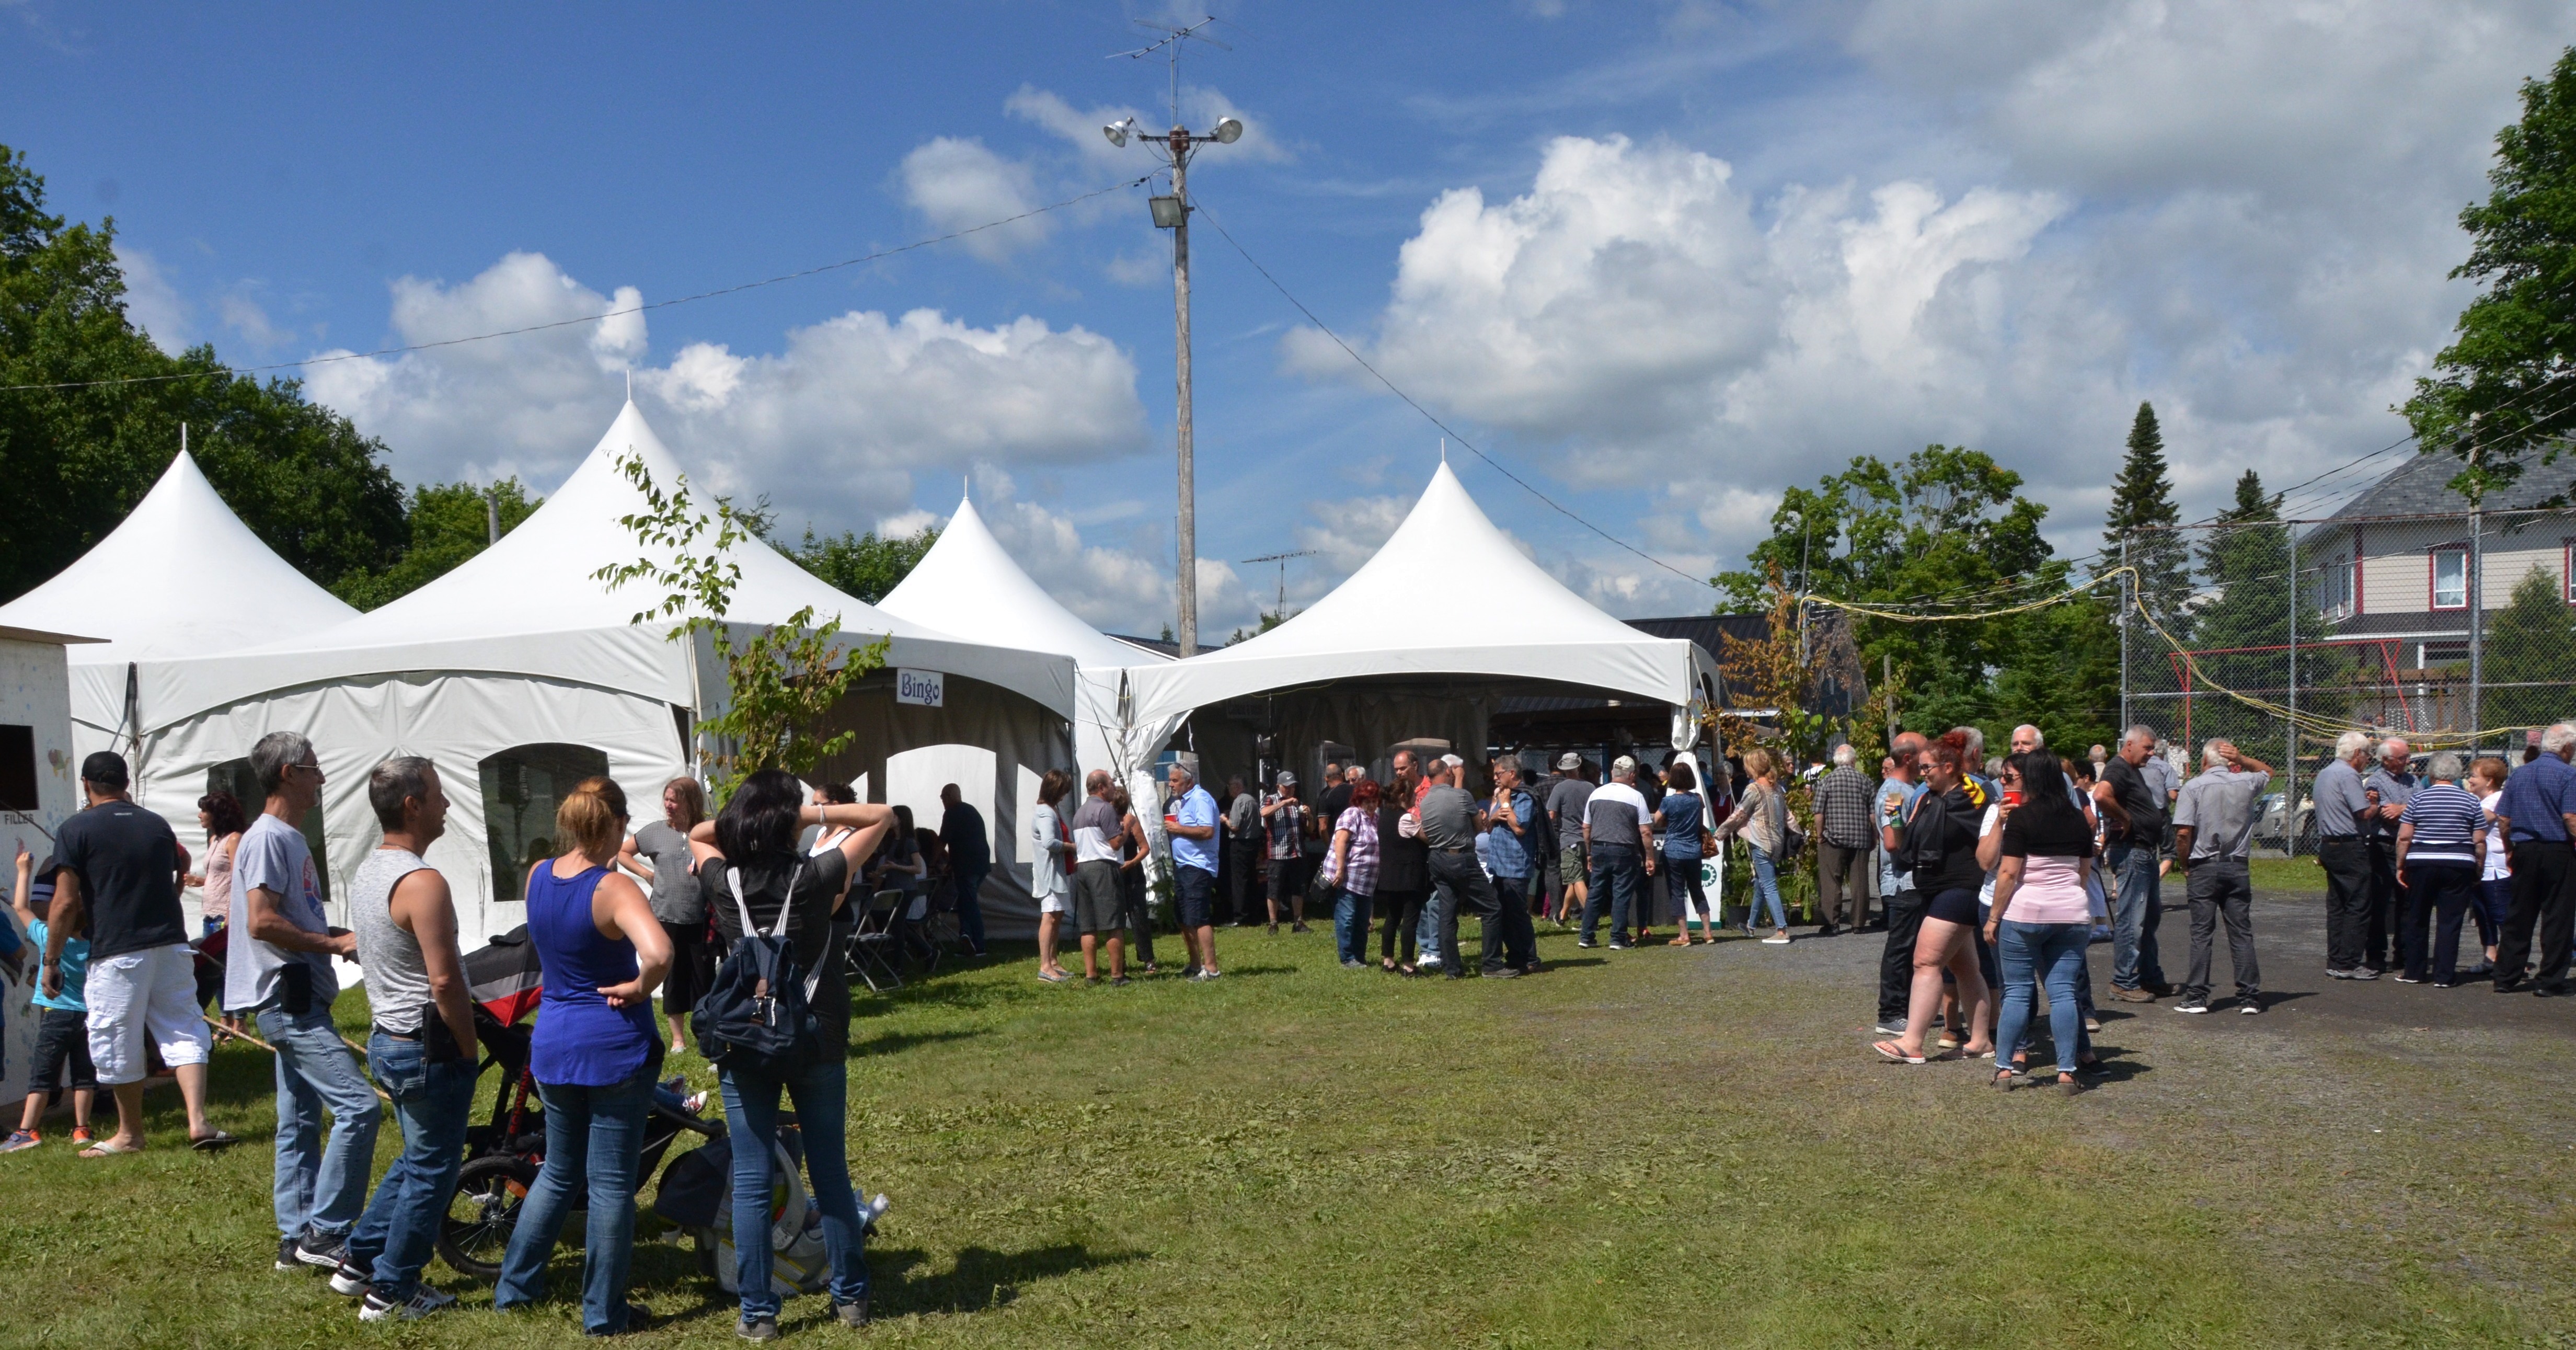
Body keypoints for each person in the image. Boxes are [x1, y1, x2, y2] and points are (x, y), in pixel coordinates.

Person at [681, 770, 890, 1336]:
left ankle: (758, 1313)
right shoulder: (820, 874)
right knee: (828, 1167)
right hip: (816, 1033)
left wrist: (752, 820)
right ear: (786, 822)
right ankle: (850, 1298)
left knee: (750, 1179)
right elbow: (881, 816)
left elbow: (698, 834)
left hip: (745, 1038)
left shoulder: (724, 882)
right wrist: (808, 816)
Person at [492, 777, 672, 1336]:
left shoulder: (538, 873)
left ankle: (514, 1287)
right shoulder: (614, 888)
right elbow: (660, 951)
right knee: (612, 1183)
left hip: (552, 1042)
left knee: (558, 1171)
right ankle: (604, 1313)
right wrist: (641, 987)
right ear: (617, 824)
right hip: (612, 1045)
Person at [224, 733, 379, 1272]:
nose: (322, 778)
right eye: (315, 769)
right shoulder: (269, 837)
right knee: (360, 1107)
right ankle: (329, 1231)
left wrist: (337, 934)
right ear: (289, 773)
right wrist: (334, 943)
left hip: (298, 995)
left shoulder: (285, 837)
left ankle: (295, 1239)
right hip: (286, 1001)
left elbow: (292, 918)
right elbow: (261, 921)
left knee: (298, 1118)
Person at [338, 756, 480, 1321]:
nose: (447, 805)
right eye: (440, 796)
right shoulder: (423, 881)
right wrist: (468, 1046)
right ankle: (392, 1290)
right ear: (412, 805)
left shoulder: (371, 869)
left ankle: (359, 1261)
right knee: (433, 1167)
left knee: (419, 1157)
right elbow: (444, 979)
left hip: (387, 1038)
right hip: (428, 1044)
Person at [43, 751, 227, 1163]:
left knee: (116, 1037)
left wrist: (52, 961)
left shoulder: (75, 828)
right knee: (183, 1028)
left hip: (117, 951)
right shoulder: (155, 823)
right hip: (171, 944)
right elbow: (177, 867)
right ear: (125, 782)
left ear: (87, 785)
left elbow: (64, 902)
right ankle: (198, 1121)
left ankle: (130, 1134)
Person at [1874, 733, 1995, 1063]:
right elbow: (1901, 845)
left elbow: (1989, 841)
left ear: (1949, 767)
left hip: (1962, 888)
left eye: (1928, 767)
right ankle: (1982, 1041)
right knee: (1966, 968)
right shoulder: (1926, 797)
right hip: (1933, 888)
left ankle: (1912, 1042)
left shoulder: (1972, 796)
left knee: (1925, 962)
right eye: (1922, 768)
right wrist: (1895, 816)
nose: (1922, 773)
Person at [1982, 751, 2096, 1094]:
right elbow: (2084, 872)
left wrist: (1993, 918)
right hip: (2072, 914)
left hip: (2026, 913)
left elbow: (2008, 872)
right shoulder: (2079, 821)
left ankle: (2004, 1069)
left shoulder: (2021, 818)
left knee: (2016, 992)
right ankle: (2066, 1070)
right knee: (2063, 992)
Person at [2169, 739, 2272, 1015]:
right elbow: (2268, 772)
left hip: (2204, 864)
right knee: (2241, 932)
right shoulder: (2246, 782)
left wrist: (2185, 863)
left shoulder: (2194, 787)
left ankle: (2196, 997)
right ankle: (2249, 997)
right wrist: (2243, 758)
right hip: (2237, 865)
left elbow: (2182, 833)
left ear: (2204, 762)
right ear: (2230, 762)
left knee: (2202, 933)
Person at [6, 846, 94, 1151]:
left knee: (42, 1075)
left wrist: (24, 871)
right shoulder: (97, 945)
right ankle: (82, 1130)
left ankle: (27, 1132)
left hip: (58, 1015)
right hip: (90, 1016)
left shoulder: (47, 936)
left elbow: (20, 907)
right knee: (84, 1075)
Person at [619, 775, 709, 1054]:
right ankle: (678, 1040)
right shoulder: (656, 832)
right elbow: (623, 852)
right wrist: (646, 873)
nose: (669, 805)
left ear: (691, 802)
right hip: (665, 915)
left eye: (675, 800)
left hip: (701, 917)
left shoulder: (706, 831)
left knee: (704, 979)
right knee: (672, 977)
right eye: (667, 799)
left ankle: (707, 1038)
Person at [2489, 723, 2576, 995]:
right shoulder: (2569, 775)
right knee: (2557, 917)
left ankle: (2505, 976)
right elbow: (2570, 817)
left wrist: (2509, 849)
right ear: (2567, 748)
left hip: (2525, 849)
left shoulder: (2520, 775)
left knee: (2519, 914)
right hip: (2558, 850)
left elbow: (2504, 820)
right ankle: (2549, 980)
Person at [2395, 751, 2488, 989]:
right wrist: (2478, 869)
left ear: (2432, 774)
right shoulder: (2471, 801)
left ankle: (2414, 972)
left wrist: (2401, 866)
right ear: (2457, 775)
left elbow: (2405, 837)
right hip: (2458, 864)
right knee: (2450, 921)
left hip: (2422, 863)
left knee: (2418, 917)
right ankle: (2445, 976)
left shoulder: (2418, 799)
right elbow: (2479, 841)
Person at [1419, 760, 1519, 980]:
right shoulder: (1462, 797)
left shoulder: (1425, 802)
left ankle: (1452, 969)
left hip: (1436, 858)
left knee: (1447, 914)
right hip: (1461, 857)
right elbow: (1478, 827)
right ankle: (1492, 964)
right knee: (1491, 908)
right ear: (1447, 772)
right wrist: (1483, 818)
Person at [2096, 725, 2170, 1002]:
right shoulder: (2118, 768)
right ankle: (2124, 981)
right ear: (2129, 745)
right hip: (2132, 852)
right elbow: (2101, 795)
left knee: (2149, 919)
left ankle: (2149, 977)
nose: (2152, 753)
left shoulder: (2131, 770)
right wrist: (2126, 819)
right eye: (2148, 748)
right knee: (2132, 921)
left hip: (2144, 853)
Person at [1873, 732, 1929, 1037]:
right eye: (1924, 753)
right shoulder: (1895, 792)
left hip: (1911, 882)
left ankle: (1908, 1008)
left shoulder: (1909, 789)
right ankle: (1891, 1013)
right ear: (1909, 758)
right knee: (1900, 948)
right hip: (1901, 883)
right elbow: (1893, 841)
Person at [2313, 731, 2377, 980]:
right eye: (2367, 755)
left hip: (2329, 844)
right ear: (2357, 754)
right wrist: (2377, 805)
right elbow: (2362, 812)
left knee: (2338, 903)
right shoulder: (2349, 775)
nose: (2368, 760)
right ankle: (2348, 962)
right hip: (2349, 844)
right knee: (2358, 904)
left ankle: (2335, 958)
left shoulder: (2326, 772)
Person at [185, 790, 249, 1034]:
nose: (200, 815)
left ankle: (240, 1021)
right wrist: (198, 881)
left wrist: (233, 913)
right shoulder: (214, 840)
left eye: (204, 811)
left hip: (226, 914)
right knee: (211, 968)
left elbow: (239, 878)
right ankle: (224, 1020)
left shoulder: (235, 839)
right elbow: (217, 877)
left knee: (229, 970)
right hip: (210, 913)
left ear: (217, 814)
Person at [1712, 749, 1791, 945]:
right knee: (1761, 883)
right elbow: (1788, 816)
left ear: (1753, 767)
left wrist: (1719, 834)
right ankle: (1751, 925)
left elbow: (1739, 814)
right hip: (1776, 841)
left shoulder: (1754, 789)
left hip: (1761, 841)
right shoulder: (1777, 788)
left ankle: (1782, 930)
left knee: (1769, 885)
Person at [1577, 757, 1657, 949]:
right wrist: (1650, 857)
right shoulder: (1635, 796)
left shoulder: (1596, 794)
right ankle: (1618, 937)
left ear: (1613, 773)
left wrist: (1589, 852)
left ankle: (1586, 936)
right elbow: (1645, 831)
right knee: (1621, 893)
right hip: (1624, 849)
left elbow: (1586, 827)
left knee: (1596, 891)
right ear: (1632, 775)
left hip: (1598, 847)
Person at [2363, 737, 2419, 974]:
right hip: (2383, 846)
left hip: (2409, 846)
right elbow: (2387, 813)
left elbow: (2422, 805)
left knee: (2407, 903)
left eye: (2407, 757)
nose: (2407, 762)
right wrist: (2408, 809)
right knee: (2380, 903)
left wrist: (2403, 808)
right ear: (2386, 760)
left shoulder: (2412, 779)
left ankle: (2404, 955)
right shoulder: (2375, 781)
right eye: (2402, 758)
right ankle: (2376, 956)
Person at [1164, 762, 1223, 981]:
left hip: (1199, 866)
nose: (1171, 784)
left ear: (1189, 781)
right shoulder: (1185, 802)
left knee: (1198, 917)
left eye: (1175, 780)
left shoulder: (1201, 799)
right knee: (1184, 916)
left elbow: (1207, 831)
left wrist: (1178, 829)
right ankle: (1195, 964)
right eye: (1170, 780)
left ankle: (1212, 969)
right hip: (1184, 865)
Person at [1069, 771, 1128, 985]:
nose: (1114, 788)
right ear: (1101, 788)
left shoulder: (1079, 812)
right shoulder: (1105, 809)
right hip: (1102, 867)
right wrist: (1127, 829)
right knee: (1113, 924)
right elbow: (1115, 844)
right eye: (1111, 784)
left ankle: (1091, 975)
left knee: (1088, 926)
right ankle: (1117, 975)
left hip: (1082, 868)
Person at [1813, 745, 1875, 936]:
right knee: (1860, 881)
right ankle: (1858, 924)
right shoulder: (1866, 781)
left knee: (1832, 881)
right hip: (1860, 839)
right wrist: (1874, 836)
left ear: (1836, 761)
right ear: (1854, 761)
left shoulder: (1827, 781)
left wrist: (1819, 834)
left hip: (1833, 838)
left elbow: (1819, 812)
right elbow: (1873, 815)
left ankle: (1832, 923)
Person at [1322, 777, 1383, 969]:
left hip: (1367, 881)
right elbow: (1340, 841)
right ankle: (1347, 958)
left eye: (1374, 801)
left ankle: (1359, 957)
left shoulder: (1376, 819)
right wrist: (1340, 869)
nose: (1371, 805)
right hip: (1348, 878)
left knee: (1362, 921)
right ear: (1359, 800)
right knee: (1347, 918)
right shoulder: (1352, 814)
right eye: (1367, 801)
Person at [1378, 751, 1430, 974]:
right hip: (1409, 875)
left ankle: (1387, 959)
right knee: (1410, 920)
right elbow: (1427, 838)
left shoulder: (1383, 817)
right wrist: (1419, 819)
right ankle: (1408, 963)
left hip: (1389, 875)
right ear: (1402, 797)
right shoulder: (1406, 818)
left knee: (1392, 918)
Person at [1655, 761, 1717, 944]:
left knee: (1676, 892)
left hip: (1673, 850)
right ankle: (1708, 933)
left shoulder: (1668, 801)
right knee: (1697, 890)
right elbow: (1699, 822)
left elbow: (1657, 821)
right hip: (1693, 850)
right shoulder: (1697, 799)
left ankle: (1684, 935)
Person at [2468, 756, 2513, 981]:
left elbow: (2473, 821)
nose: (2470, 780)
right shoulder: (2476, 801)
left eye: (2474, 776)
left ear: (2490, 780)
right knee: (2483, 915)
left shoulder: (2498, 799)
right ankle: (2490, 957)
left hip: (2496, 868)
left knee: (2500, 914)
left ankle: (2514, 959)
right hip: (2480, 868)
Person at [935, 783, 992, 956]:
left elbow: (942, 841)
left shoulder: (952, 813)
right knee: (967, 902)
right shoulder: (971, 811)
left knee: (970, 904)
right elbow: (966, 840)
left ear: (951, 796)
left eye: (943, 797)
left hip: (967, 867)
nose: (942, 801)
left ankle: (978, 944)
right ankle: (966, 935)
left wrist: (931, 863)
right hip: (981, 864)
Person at [1030, 770, 1075, 983]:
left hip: (1056, 872)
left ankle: (1053, 961)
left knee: (1057, 916)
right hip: (1049, 874)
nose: (1064, 796)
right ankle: (1045, 966)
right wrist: (1073, 847)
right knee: (1049, 917)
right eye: (1062, 791)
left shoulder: (1051, 809)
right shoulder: (1046, 813)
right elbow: (1050, 843)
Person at [1549, 753, 1595, 924]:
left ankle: (1591, 917)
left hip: (1569, 839)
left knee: (1576, 880)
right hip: (1588, 839)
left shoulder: (1560, 789)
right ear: (1579, 766)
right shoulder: (1590, 787)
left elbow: (1551, 814)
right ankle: (1562, 915)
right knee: (1574, 880)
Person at [1261, 772, 1307, 935]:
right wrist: (1284, 803)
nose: (1291, 790)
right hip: (1277, 852)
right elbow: (1264, 813)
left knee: (1298, 889)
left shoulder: (1297, 803)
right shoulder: (1271, 799)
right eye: (1287, 787)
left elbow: (1308, 828)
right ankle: (1273, 923)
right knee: (1274, 889)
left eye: (1293, 787)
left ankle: (1298, 922)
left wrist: (1309, 816)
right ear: (1279, 786)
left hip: (1296, 851)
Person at [1223, 776, 1260, 926]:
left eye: (1230, 785)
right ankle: (1253, 914)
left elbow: (1235, 827)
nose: (1228, 789)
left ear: (1238, 786)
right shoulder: (1252, 800)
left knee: (1239, 881)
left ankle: (1240, 917)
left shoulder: (1239, 801)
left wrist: (1225, 819)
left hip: (1240, 844)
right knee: (1251, 879)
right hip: (1253, 843)